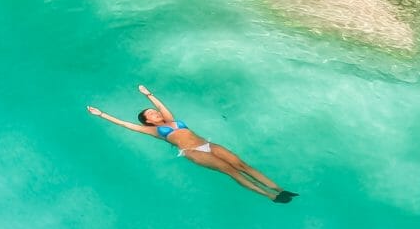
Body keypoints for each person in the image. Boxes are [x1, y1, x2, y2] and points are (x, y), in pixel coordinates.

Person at [87, 85, 293, 202]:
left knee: (243, 165)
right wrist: (102, 114)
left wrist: (148, 94)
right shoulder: (154, 130)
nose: (155, 112)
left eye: (153, 111)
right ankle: (268, 195)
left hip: (208, 144)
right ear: (148, 121)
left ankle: (278, 188)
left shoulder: (171, 120)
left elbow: (162, 106)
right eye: (150, 113)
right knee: (232, 171)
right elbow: (125, 124)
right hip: (192, 151)